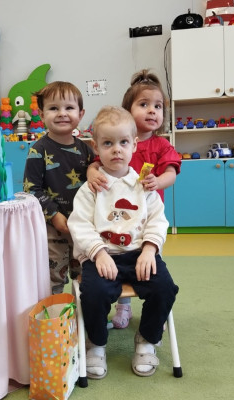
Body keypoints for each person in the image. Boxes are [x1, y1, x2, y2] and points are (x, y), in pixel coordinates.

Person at [67, 106, 179, 378]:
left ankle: (147, 339)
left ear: (134, 145)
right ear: (96, 147)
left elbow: (158, 220)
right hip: (102, 256)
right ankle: (96, 344)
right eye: (108, 143)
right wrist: (99, 253)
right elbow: (79, 224)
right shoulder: (90, 189)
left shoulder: (145, 186)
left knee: (165, 288)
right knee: (93, 293)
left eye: (123, 142)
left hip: (139, 254)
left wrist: (149, 250)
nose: (116, 149)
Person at [87, 69, 181, 329]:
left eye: (158, 106)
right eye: (144, 104)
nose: (152, 111)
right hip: (117, 216)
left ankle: (157, 311)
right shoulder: (116, 141)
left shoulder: (161, 145)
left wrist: (158, 182)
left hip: (147, 216)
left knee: (149, 262)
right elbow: (96, 164)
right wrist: (91, 173)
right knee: (120, 257)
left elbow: (171, 173)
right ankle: (124, 306)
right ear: (128, 111)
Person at [23, 81, 95, 294]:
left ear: (80, 114)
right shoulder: (38, 151)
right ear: (41, 114)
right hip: (52, 229)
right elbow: (31, 189)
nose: (62, 113)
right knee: (53, 276)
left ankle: (84, 311)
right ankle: (55, 312)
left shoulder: (87, 151)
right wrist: (54, 215)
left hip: (84, 226)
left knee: (86, 274)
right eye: (54, 108)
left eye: (69, 108)